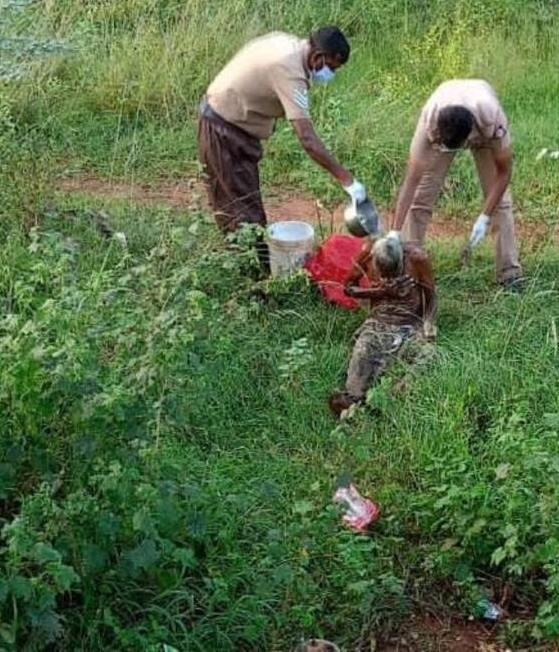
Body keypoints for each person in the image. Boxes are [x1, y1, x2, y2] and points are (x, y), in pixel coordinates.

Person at [198, 27, 367, 273]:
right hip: (223, 131)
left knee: (243, 204)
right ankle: (254, 286)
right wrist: (347, 180)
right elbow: (307, 139)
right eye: (332, 66)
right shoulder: (289, 72)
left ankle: (254, 273)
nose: (331, 73)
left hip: (232, 127)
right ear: (318, 55)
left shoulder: (289, 44)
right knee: (243, 215)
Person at [392, 79, 522, 289]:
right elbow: (411, 180)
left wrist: (484, 216)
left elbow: (504, 173)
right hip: (445, 109)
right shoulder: (430, 121)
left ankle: (509, 273)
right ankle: (409, 269)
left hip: (482, 122)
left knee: (501, 204)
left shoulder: (493, 119)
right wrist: (394, 232)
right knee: (419, 200)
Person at [328, 232, 437, 417]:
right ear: (374, 262)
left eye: (394, 273)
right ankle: (355, 399)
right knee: (362, 354)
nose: (388, 279)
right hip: (378, 323)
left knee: (428, 355)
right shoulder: (367, 252)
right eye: (383, 275)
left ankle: (392, 396)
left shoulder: (417, 257)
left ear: (402, 258)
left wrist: (428, 323)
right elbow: (348, 288)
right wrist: (380, 291)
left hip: (409, 324)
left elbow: (431, 295)